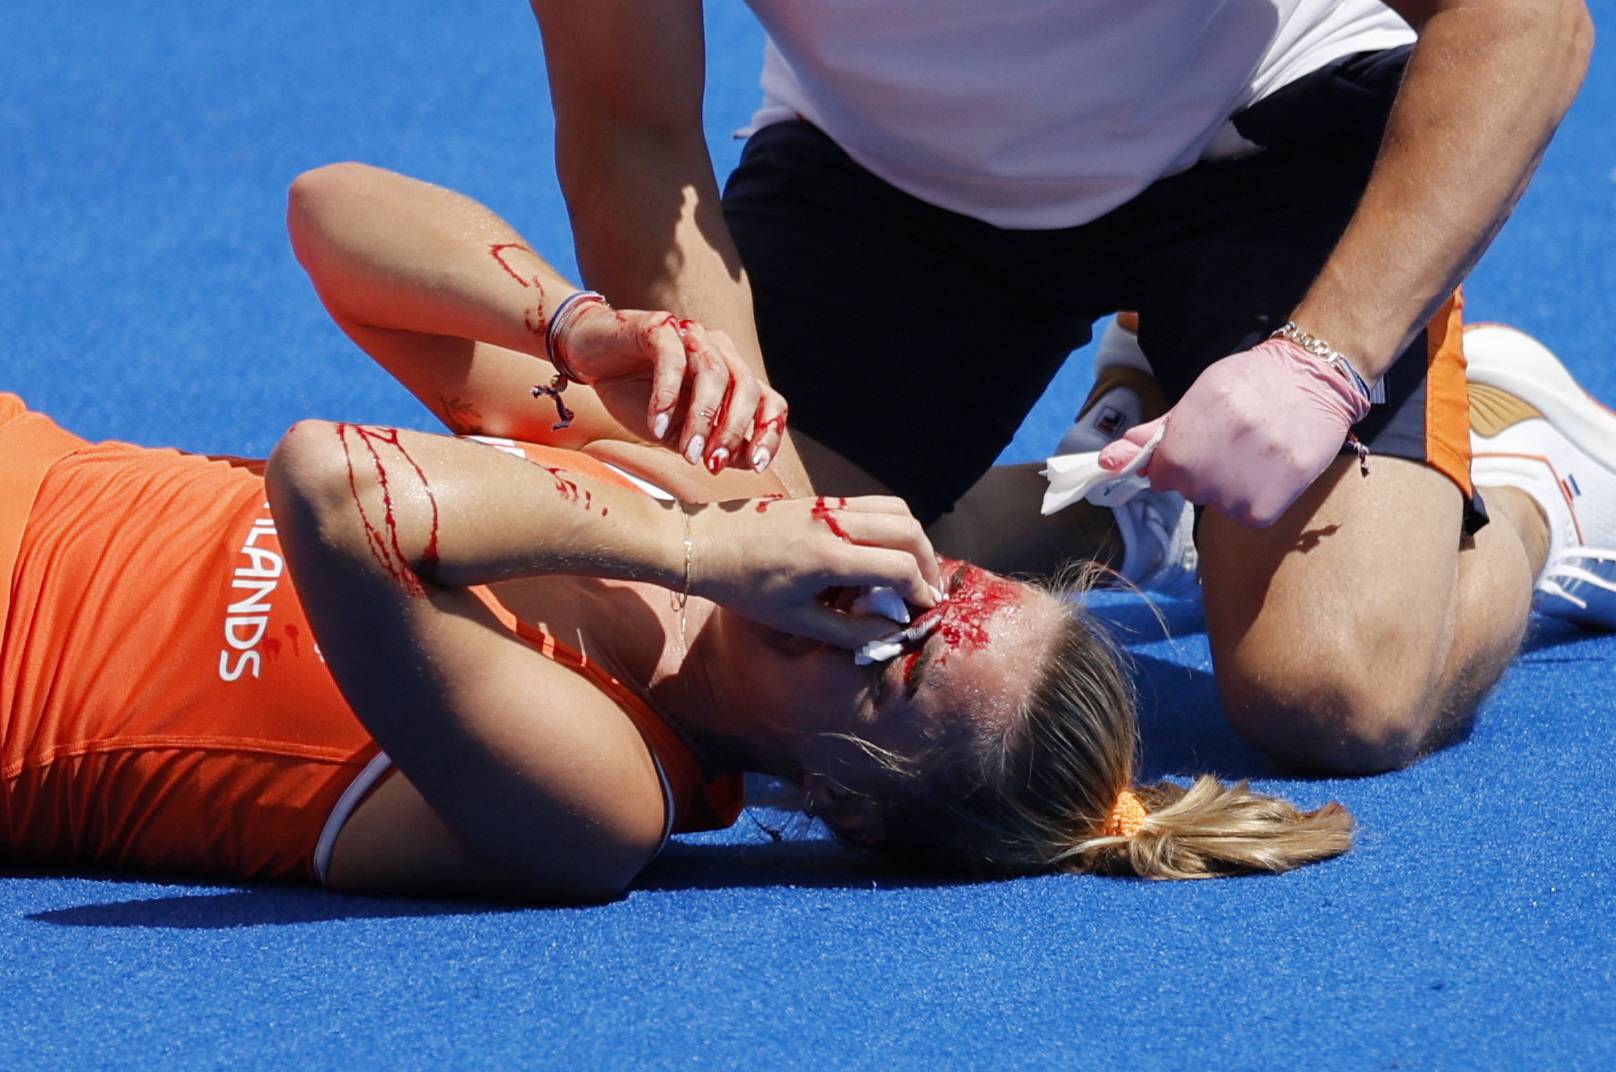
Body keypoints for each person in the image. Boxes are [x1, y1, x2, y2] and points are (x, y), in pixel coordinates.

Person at [0, 165, 1353, 901]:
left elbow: (334, 487)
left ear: (845, 807)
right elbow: (330, 215)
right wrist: (566, 324)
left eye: (899, 657)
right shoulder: (671, 484)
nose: (870, 597)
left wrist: (702, 554)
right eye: (939, 588)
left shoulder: (601, 801)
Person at [528, 1, 1598, 773]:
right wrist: (752, 504)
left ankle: (1527, 474)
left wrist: (1324, 358)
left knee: (1334, 695)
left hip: (1265, 129)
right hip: (890, 178)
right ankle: (1119, 500)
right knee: (732, 624)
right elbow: (632, 130)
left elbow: (1523, 20)